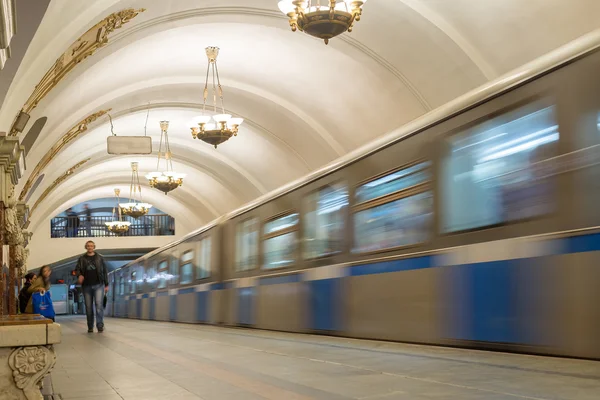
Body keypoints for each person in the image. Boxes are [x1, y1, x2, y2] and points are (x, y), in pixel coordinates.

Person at [76, 240, 109, 333]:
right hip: (86, 286)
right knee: (88, 307)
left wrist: (106, 284)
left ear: (94, 247)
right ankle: (90, 326)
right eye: (88, 246)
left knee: (99, 305)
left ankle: (100, 325)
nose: (90, 247)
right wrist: (79, 275)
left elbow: (104, 271)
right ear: (86, 247)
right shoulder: (82, 259)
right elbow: (77, 269)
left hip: (99, 284)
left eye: (91, 246)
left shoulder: (99, 258)